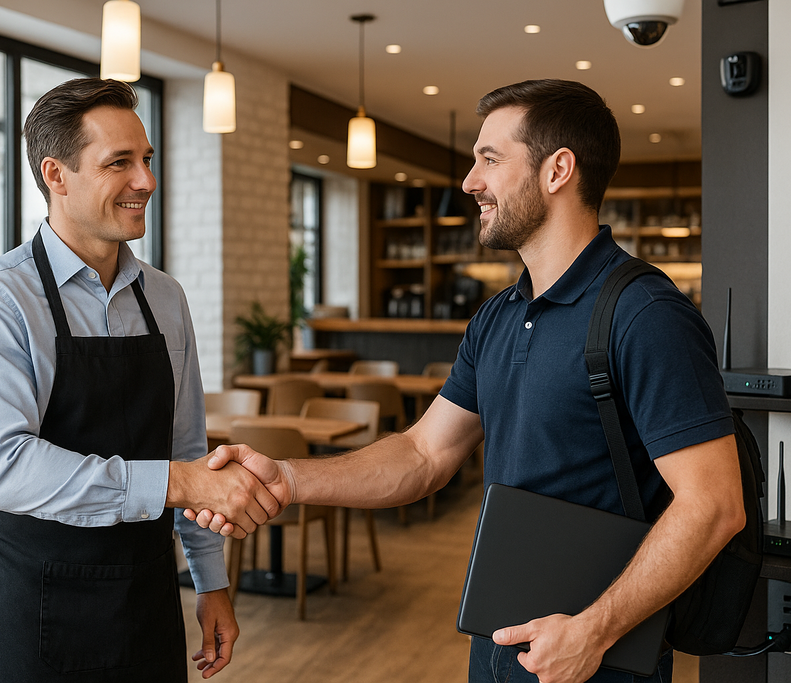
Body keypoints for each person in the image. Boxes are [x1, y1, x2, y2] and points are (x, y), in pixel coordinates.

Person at [188, 80, 746, 683]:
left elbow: (713, 506)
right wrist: (291, 477)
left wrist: (593, 631)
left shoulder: (645, 314)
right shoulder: (498, 315)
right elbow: (424, 453)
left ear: (558, 169)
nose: (469, 182)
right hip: (498, 646)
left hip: (596, 661)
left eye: (489, 159)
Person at [0, 78, 277, 683]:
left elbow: (186, 445)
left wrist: (210, 581)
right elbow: (5, 470)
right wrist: (175, 483)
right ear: (56, 174)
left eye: (145, 159)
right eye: (119, 163)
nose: (145, 180)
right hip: (36, 607)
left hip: (146, 596)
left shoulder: (166, 298)